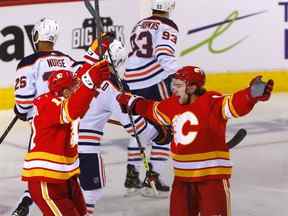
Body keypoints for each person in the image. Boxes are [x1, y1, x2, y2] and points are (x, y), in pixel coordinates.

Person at [116, 65, 274, 216]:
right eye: (174, 84)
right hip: (182, 180)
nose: (174, 89)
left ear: (192, 88)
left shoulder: (212, 101)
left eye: (178, 85)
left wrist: (250, 95)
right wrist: (130, 102)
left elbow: (235, 103)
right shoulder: (172, 104)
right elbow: (150, 108)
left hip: (212, 180)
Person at [21, 60, 111, 215]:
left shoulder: (62, 99)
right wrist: (90, 84)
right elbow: (74, 109)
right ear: (65, 91)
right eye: (73, 86)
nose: (78, 88)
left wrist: (97, 50)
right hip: (46, 179)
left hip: (67, 177)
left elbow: (79, 100)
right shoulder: (48, 104)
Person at [12, 17, 80, 216]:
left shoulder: (29, 62)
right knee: (63, 172)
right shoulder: (68, 60)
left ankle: (31, 198)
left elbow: (24, 103)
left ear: (36, 36)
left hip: (43, 125)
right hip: (68, 122)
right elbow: (81, 84)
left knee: (42, 167)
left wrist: (21, 112)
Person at [123, 0, 179, 195]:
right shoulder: (168, 25)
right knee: (166, 125)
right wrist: (182, 75)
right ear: (170, 6)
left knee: (143, 126)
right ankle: (153, 176)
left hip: (131, 81)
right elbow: (163, 54)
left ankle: (133, 174)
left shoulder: (139, 24)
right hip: (154, 81)